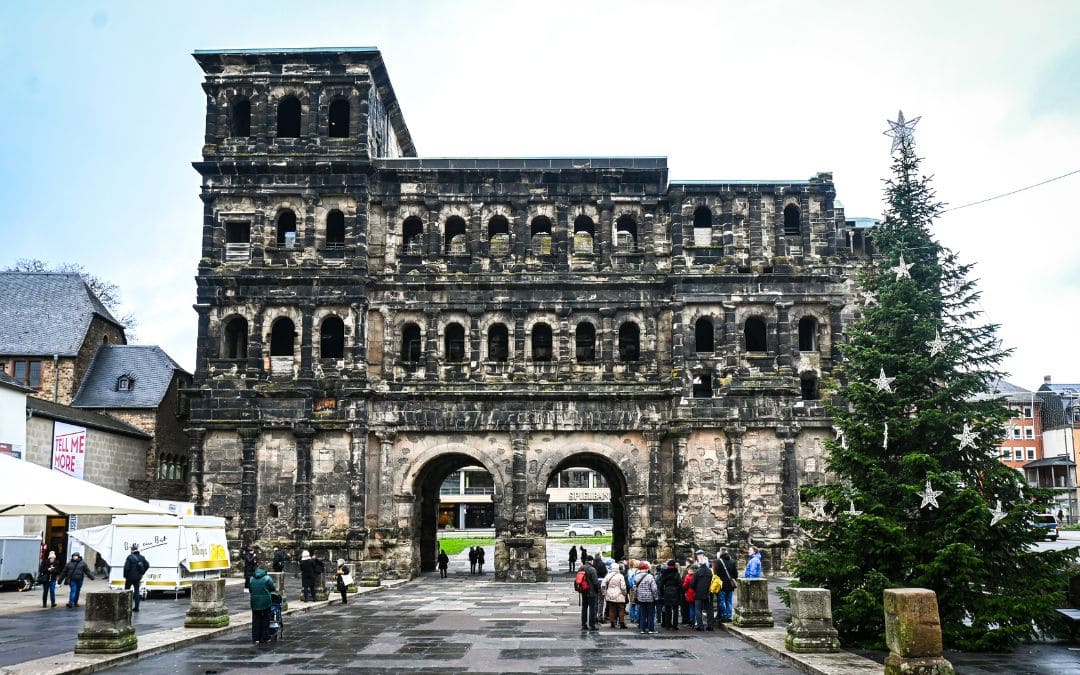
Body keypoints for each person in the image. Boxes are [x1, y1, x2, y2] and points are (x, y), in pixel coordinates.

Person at [248, 566, 276, 644]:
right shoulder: (267, 578)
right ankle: (265, 637)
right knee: (266, 620)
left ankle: (256, 638)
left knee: (256, 620)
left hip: (255, 602)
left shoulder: (251, 579)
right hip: (266, 602)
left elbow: (250, 590)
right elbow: (273, 588)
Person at [633, 561, 659, 634]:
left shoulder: (636, 576)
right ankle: (651, 629)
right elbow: (654, 589)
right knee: (651, 614)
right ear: (646, 569)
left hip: (640, 598)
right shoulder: (650, 576)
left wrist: (636, 597)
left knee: (642, 614)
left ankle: (642, 629)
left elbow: (634, 588)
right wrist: (656, 598)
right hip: (650, 598)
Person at [575, 554, 600, 631]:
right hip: (591, 592)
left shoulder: (581, 568)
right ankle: (592, 625)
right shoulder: (592, 569)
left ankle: (584, 624)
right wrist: (597, 590)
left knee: (584, 608)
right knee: (592, 608)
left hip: (583, 591)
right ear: (591, 561)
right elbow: (595, 582)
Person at [122, 544, 150, 612]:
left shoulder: (129, 557)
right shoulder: (142, 557)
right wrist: (142, 572)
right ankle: (136, 607)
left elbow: (126, 568)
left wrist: (125, 576)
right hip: (138, 577)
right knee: (137, 592)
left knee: (126, 591)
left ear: (131, 550)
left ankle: (126, 606)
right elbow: (147, 565)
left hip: (129, 577)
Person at [601, 562, 628, 628]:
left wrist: (604, 592)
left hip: (610, 593)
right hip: (619, 594)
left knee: (611, 609)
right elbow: (623, 587)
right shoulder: (620, 576)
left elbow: (603, 584)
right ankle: (621, 623)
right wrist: (624, 593)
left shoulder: (608, 575)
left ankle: (612, 622)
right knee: (621, 609)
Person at [692, 549, 714, 631]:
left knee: (698, 610)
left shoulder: (697, 572)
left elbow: (692, 583)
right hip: (708, 592)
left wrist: (695, 589)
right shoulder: (709, 571)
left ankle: (700, 626)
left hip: (699, 593)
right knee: (709, 610)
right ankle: (710, 626)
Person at [658, 559, 683, 630]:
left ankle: (668, 625)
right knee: (675, 610)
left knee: (667, 609)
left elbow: (661, 584)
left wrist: (662, 593)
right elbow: (680, 584)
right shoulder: (676, 574)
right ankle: (675, 625)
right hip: (675, 592)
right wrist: (682, 592)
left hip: (667, 592)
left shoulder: (664, 573)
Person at [716, 549, 737, 622]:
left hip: (722, 585)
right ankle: (729, 615)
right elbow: (735, 575)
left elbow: (716, 574)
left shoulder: (719, 562)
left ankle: (724, 615)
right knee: (729, 601)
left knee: (722, 601)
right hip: (730, 585)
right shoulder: (733, 562)